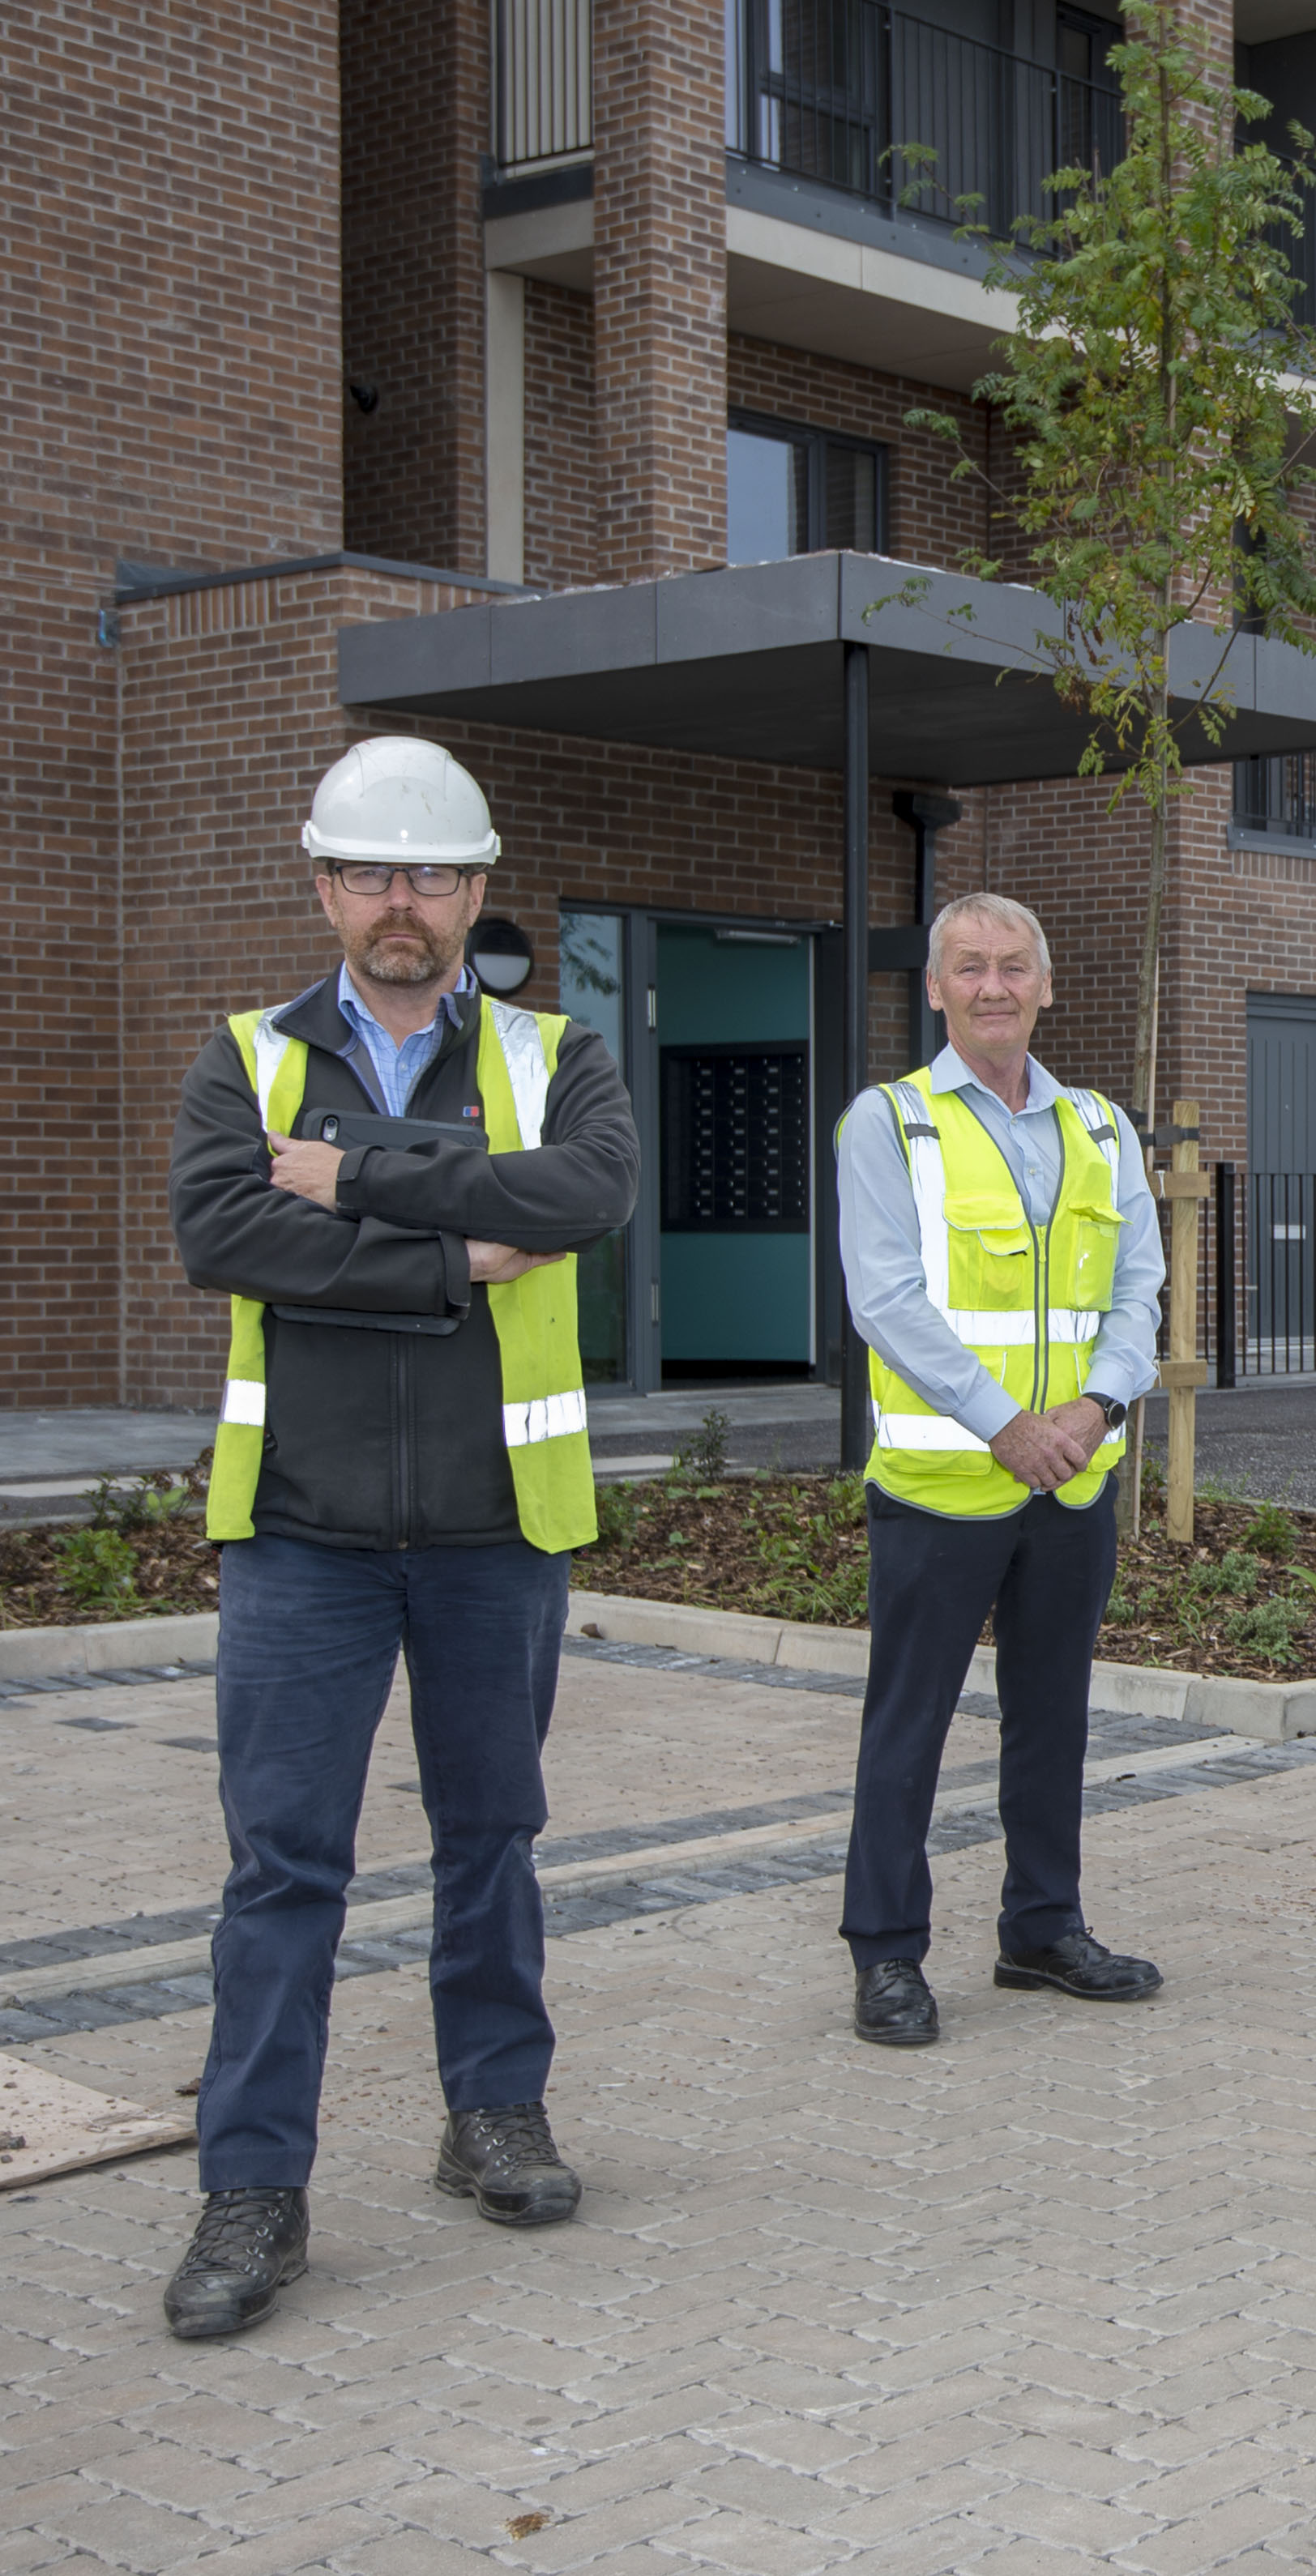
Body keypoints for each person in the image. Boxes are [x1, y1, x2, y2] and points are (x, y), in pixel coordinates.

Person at [160, 736, 639, 2339]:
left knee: (491, 1841)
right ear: (323, 886)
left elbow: (584, 1195)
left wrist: (352, 1180)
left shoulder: (558, 1054)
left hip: (496, 1534)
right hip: (303, 1537)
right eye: (372, 873)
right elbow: (227, 1232)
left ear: (477, 889)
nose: (401, 903)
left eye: (431, 874)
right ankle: (252, 2190)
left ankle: (491, 2113)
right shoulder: (245, 1058)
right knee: (283, 1868)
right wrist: (450, 1252)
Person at [833, 891, 1167, 2049]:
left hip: (1073, 1479)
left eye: (1013, 966)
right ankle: (886, 1951)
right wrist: (1004, 1423)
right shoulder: (889, 1123)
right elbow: (886, 1301)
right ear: (935, 989)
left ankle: (1042, 1927)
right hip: (944, 1486)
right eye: (968, 967)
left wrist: (1092, 1404)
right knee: (908, 1725)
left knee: (1053, 1717)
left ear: (1046, 984)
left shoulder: (1103, 1129)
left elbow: (1138, 1291)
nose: (992, 986)